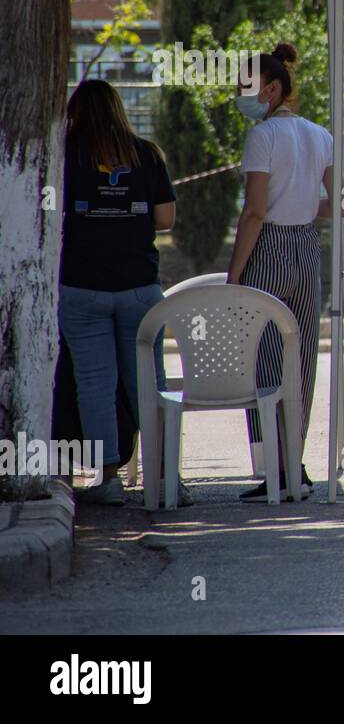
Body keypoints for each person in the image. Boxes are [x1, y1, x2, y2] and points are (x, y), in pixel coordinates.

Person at [60, 79, 178, 505]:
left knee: (94, 384)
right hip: (140, 288)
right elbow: (165, 218)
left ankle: (107, 478)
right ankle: (165, 477)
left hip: (80, 287)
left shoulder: (64, 155)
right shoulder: (145, 153)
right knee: (150, 382)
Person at [227, 43, 333, 501]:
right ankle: (296, 463)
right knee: (302, 359)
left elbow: (252, 213)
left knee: (263, 360)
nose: (243, 97)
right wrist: (302, 203)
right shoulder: (320, 134)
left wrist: (234, 276)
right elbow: (334, 204)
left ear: (272, 89)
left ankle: (275, 467)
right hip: (307, 247)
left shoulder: (263, 136)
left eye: (248, 89)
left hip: (267, 246)